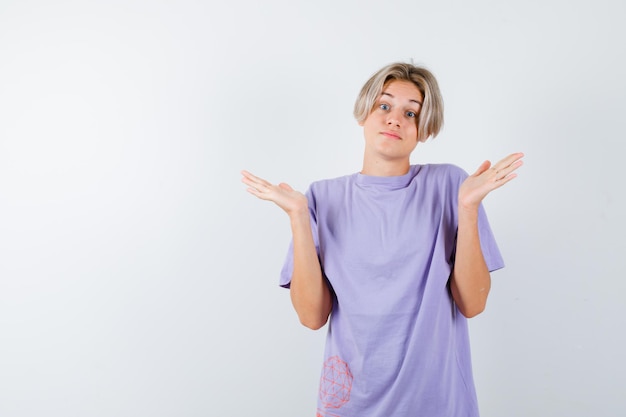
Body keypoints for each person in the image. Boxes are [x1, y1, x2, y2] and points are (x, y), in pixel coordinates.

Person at [241, 61, 523, 417]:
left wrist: (467, 207)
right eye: (384, 106)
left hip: (436, 402)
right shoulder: (320, 198)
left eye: (411, 113)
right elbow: (312, 317)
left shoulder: (452, 186)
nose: (395, 119)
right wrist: (298, 216)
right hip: (351, 404)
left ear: (424, 130)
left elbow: (473, 304)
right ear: (364, 114)